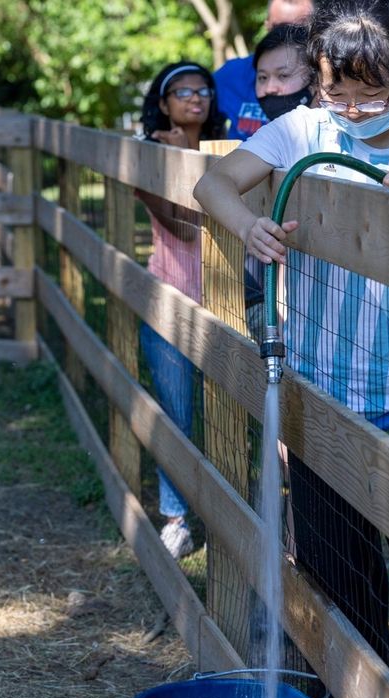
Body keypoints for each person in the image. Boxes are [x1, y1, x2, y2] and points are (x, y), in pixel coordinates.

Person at [195, 0, 389, 667]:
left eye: (376, 93)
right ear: (316, 76)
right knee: (341, 576)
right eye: (339, 91)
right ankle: (354, 695)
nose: (357, 110)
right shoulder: (302, 131)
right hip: (323, 398)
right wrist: (248, 225)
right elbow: (215, 181)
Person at [137, 61, 226, 559]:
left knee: (227, 413)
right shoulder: (151, 157)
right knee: (177, 412)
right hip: (169, 298)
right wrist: (178, 162)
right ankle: (176, 518)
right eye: (183, 91)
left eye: (204, 90)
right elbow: (185, 227)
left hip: (227, 302)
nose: (196, 98)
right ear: (164, 103)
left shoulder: (231, 151)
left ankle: (227, 507)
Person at [245, 22, 315, 339]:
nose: (270, 87)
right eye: (262, 78)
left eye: (283, 76)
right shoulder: (271, 137)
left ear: (316, 78)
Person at [213, 0, 314, 141]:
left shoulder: (334, 82)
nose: (287, 34)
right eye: (262, 77)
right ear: (266, 25)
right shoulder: (232, 74)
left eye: (299, 29)